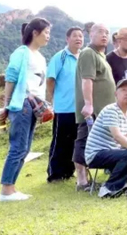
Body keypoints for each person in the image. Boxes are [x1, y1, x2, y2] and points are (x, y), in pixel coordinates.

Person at [0, 18, 52, 201]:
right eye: (46, 32)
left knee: (25, 148)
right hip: (22, 104)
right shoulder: (22, 52)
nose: (48, 37)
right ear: (34, 33)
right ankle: (6, 190)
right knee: (18, 147)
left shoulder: (41, 57)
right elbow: (10, 77)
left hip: (34, 105)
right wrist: (6, 105)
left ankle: (11, 188)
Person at [85, 79, 127, 198]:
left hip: (111, 153)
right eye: (123, 90)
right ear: (116, 94)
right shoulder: (111, 110)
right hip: (96, 154)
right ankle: (108, 188)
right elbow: (118, 136)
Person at [73, 23, 116, 191]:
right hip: (92, 110)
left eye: (107, 32)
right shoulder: (88, 53)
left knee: (96, 143)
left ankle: (89, 180)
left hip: (103, 110)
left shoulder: (100, 55)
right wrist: (89, 104)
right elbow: (87, 80)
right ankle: (81, 181)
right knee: (84, 141)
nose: (104, 35)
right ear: (91, 34)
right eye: (100, 32)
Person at [45, 26, 83, 182]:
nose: (78, 38)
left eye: (81, 36)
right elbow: (50, 80)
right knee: (60, 142)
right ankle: (55, 174)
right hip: (63, 108)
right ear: (67, 39)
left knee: (75, 142)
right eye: (74, 36)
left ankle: (69, 171)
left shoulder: (83, 57)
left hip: (79, 109)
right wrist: (52, 99)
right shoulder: (60, 57)